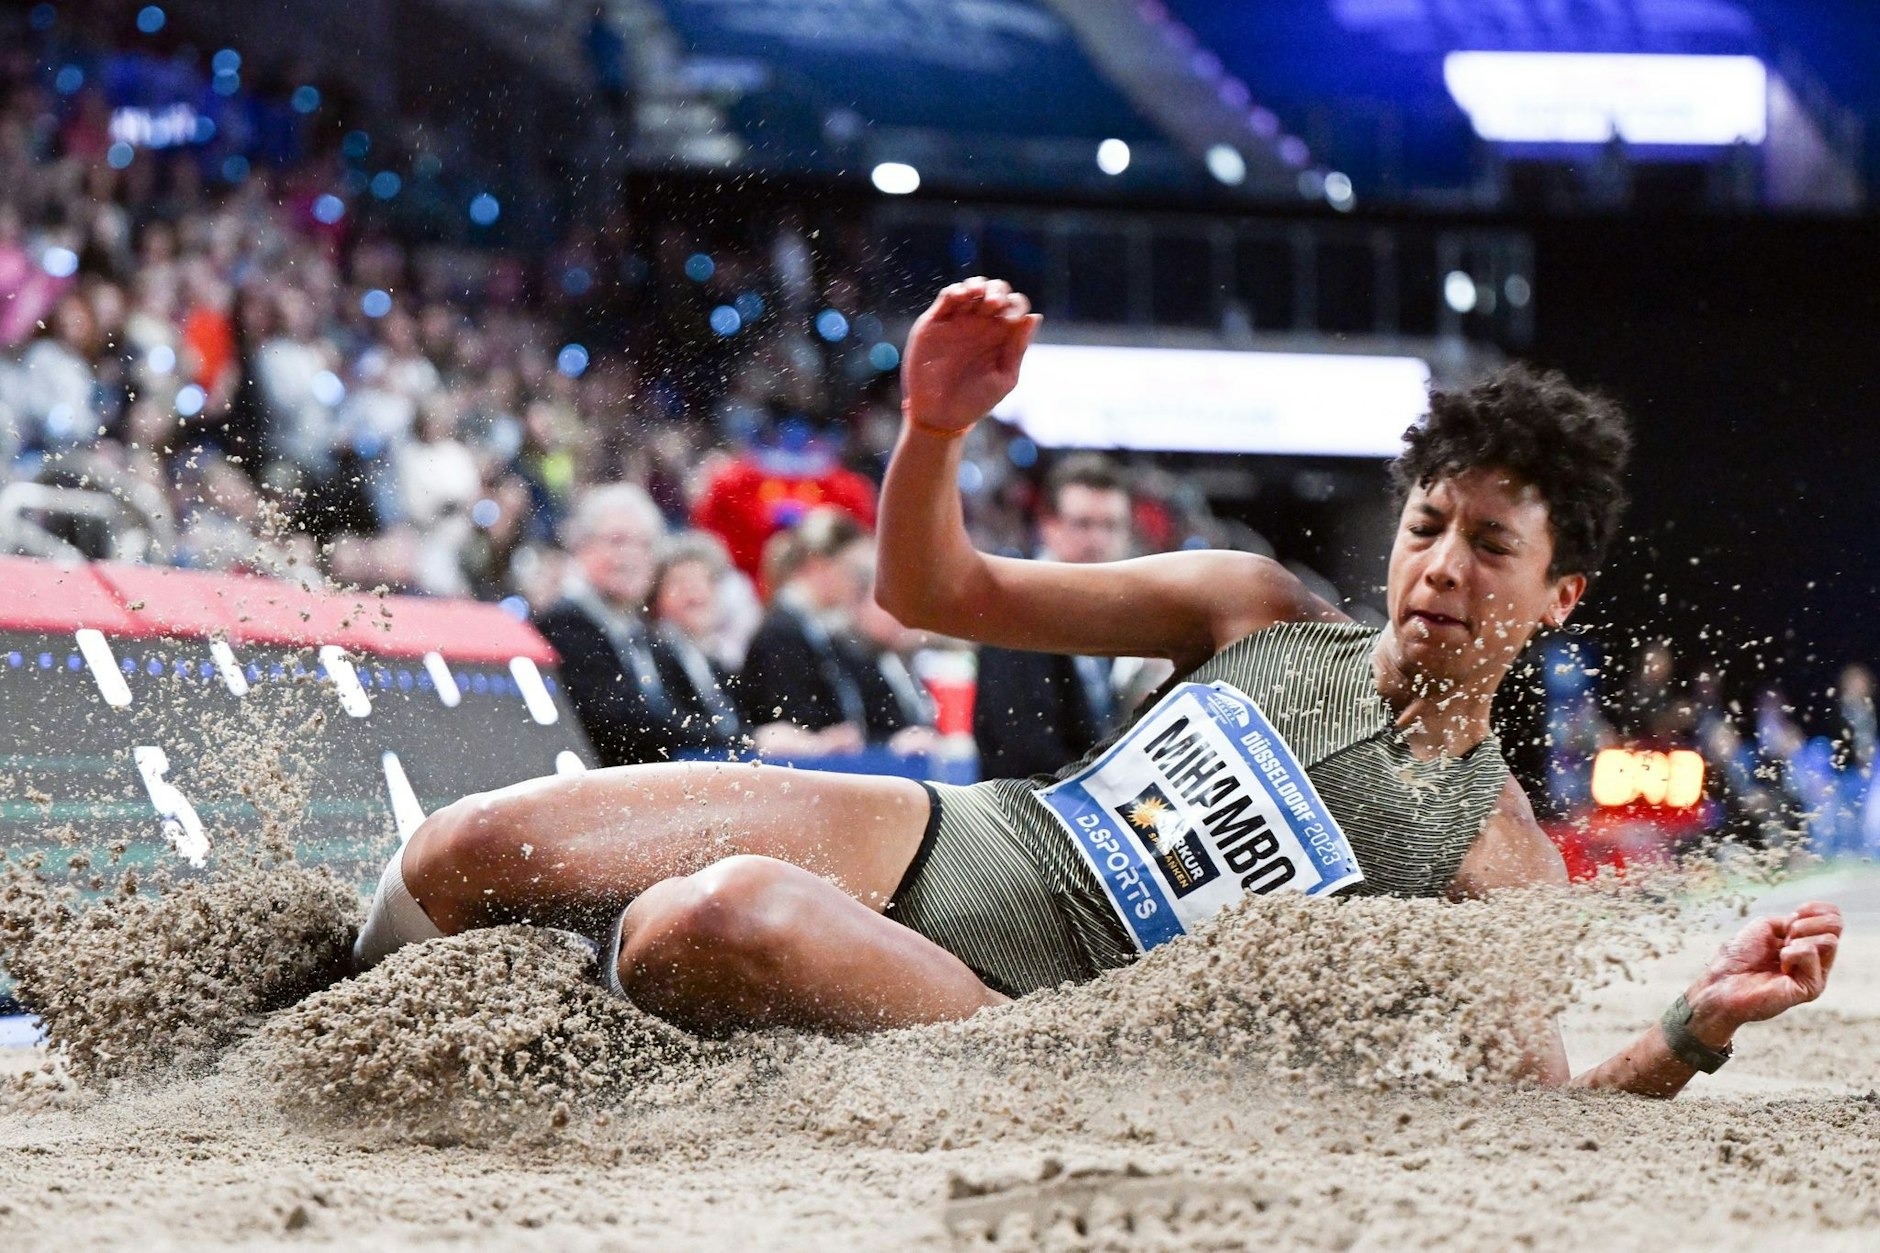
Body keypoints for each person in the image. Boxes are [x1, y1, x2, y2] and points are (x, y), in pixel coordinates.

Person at [358, 278, 1842, 1099]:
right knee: (470, 845)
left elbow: (1537, 1119)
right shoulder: (1253, 606)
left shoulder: (1491, 850)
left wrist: (1695, 1027)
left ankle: (551, 1056)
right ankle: (312, 1028)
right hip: (958, 838)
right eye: (1426, 525)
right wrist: (932, 432)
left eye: (1489, 546)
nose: (1442, 566)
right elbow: (935, 593)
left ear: (1556, 596)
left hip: (1033, 1020)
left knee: (711, 918)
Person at [535, 484, 742, 766]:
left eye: (644, 544)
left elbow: (676, 713)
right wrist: (730, 740)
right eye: (618, 541)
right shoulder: (567, 623)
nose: (630, 556)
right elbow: (626, 723)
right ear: (583, 547)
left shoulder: (641, 633)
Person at [974, 454, 1140, 778]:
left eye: (1112, 526)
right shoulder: (1016, 608)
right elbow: (1023, 751)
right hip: (1026, 818)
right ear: (1048, 526)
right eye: (1083, 524)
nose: (1098, 541)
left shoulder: (1114, 614)